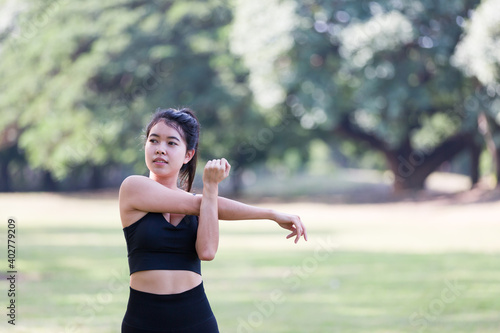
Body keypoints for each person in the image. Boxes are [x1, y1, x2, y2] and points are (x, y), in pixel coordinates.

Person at [119, 107, 307, 332]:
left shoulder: (204, 204)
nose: (160, 149)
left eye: (171, 143)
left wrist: (271, 214)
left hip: (195, 318)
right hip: (143, 320)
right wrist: (211, 192)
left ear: (188, 154)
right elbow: (201, 204)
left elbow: (207, 252)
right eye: (154, 140)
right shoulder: (133, 187)